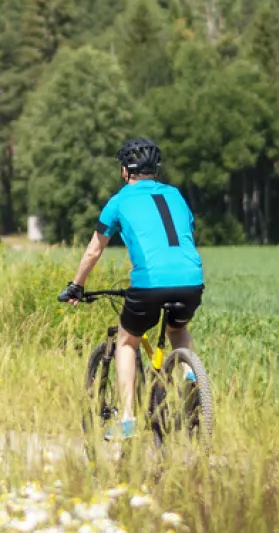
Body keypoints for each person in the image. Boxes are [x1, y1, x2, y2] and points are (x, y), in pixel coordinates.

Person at [57, 137, 204, 440]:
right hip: (191, 280)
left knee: (126, 341)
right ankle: (191, 374)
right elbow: (185, 234)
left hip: (149, 283)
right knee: (177, 327)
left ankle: (126, 418)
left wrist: (76, 286)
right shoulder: (176, 195)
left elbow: (94, 250)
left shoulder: (119, 201)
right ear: (155, 169)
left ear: (125, 171)